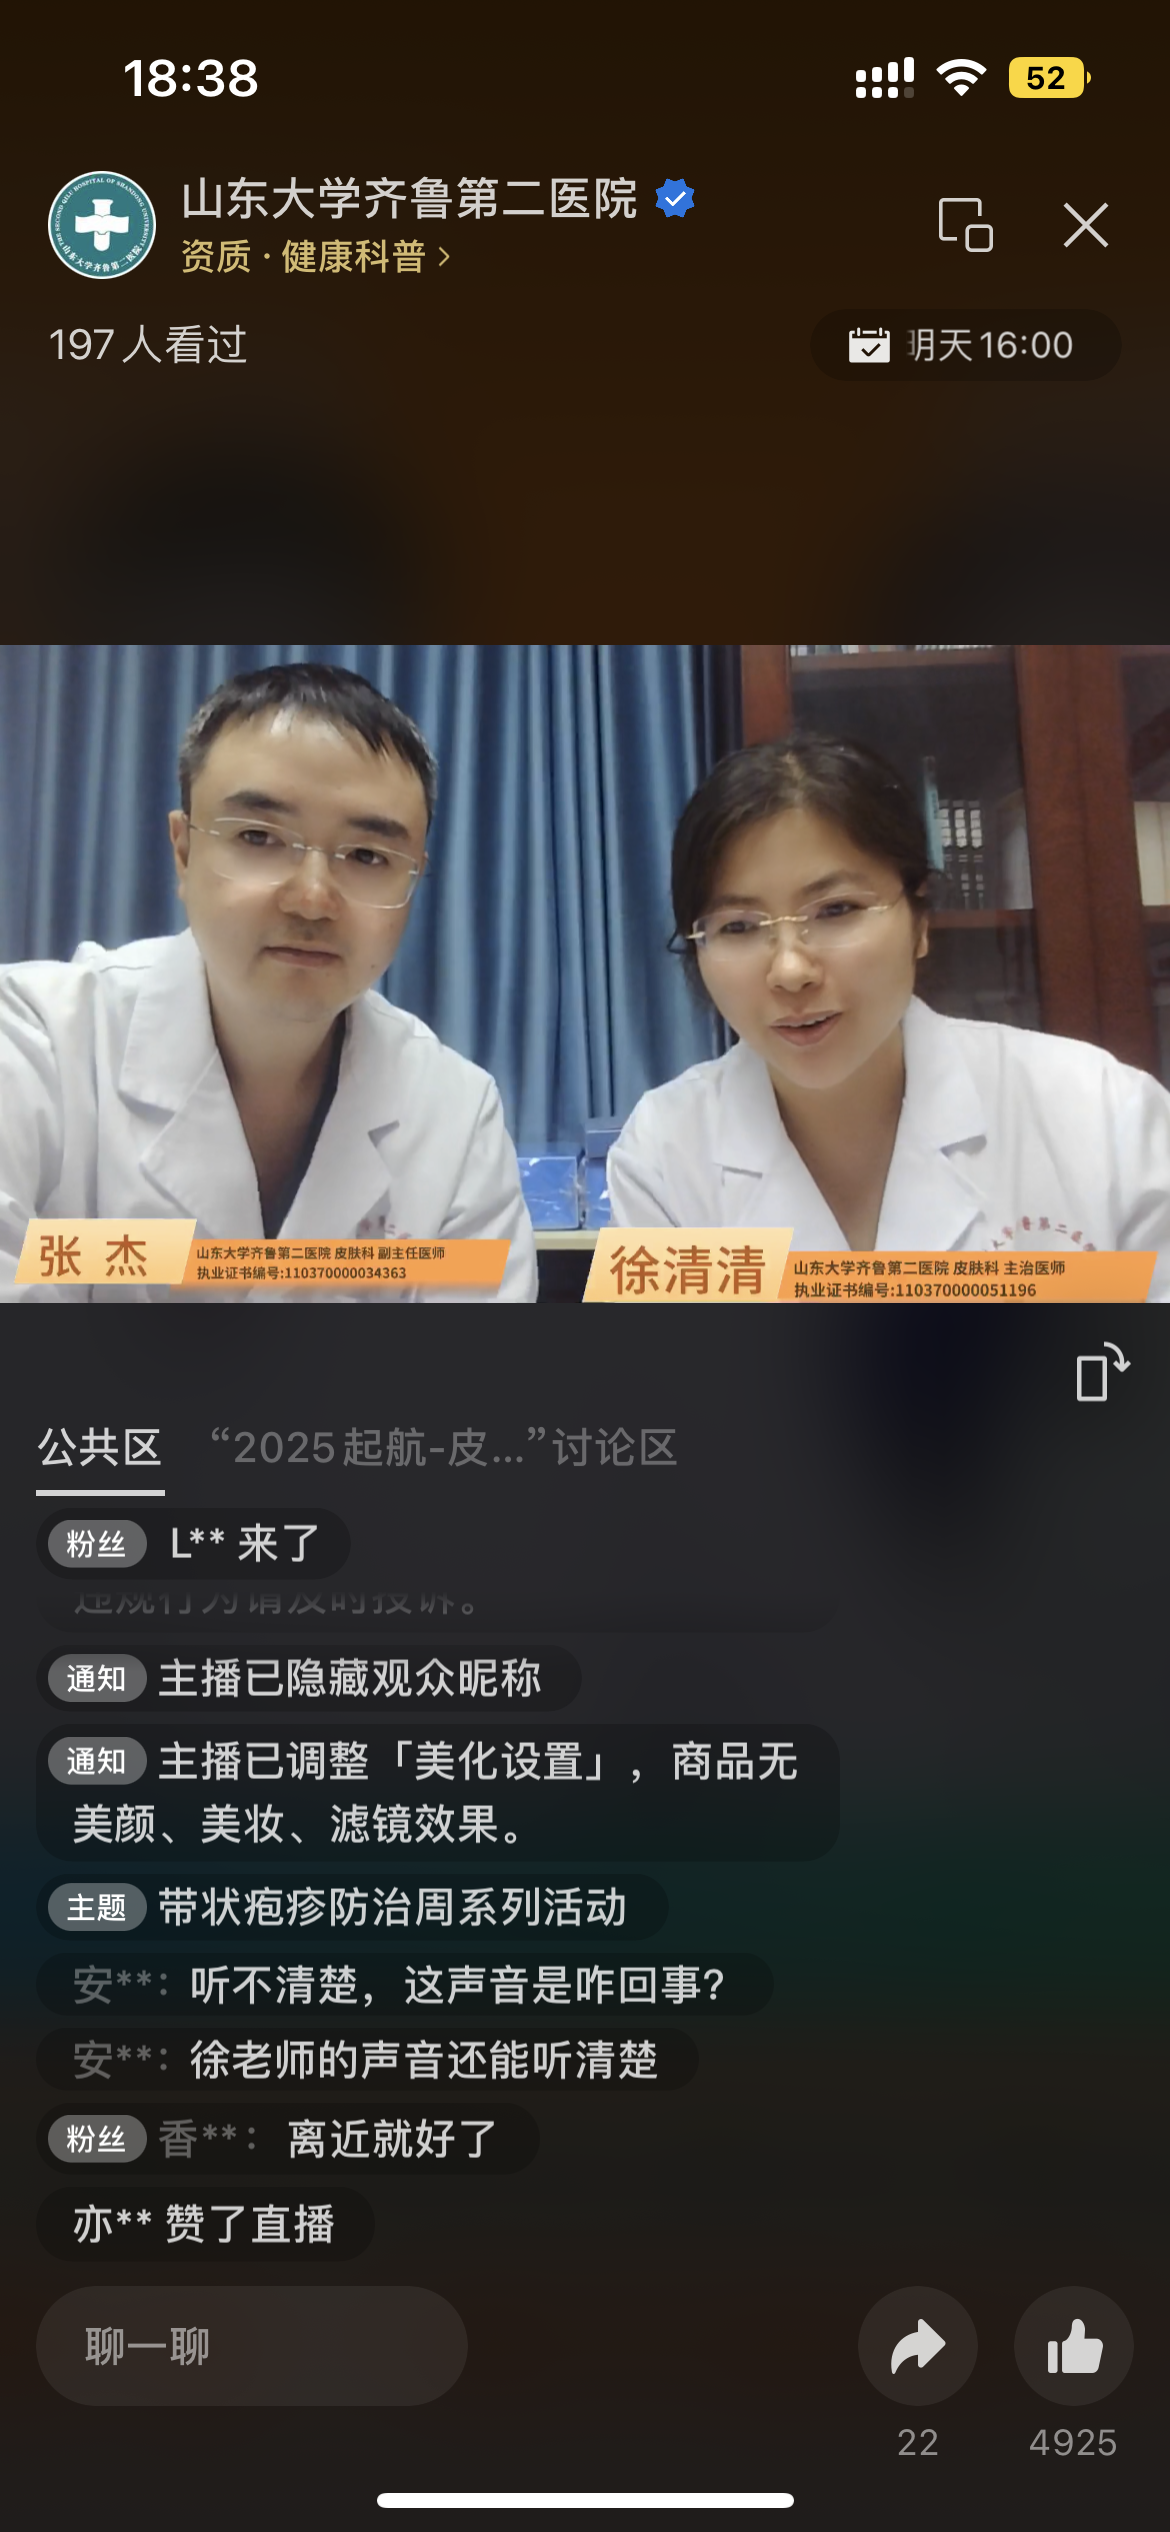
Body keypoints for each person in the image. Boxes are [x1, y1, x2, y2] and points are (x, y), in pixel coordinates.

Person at [0, 663, 536, 1303]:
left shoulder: (454, 1114)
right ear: (184, 852)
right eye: (258, 837)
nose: (312, 899)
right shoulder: (35, 1044)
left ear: (414, 879)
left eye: (367, 856)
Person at [608, 734, 1170, 1294]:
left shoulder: (1103, 1114)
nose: (791, 971)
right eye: (738, 926)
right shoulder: (665, 1152)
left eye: (836, 910)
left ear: (919, 921)